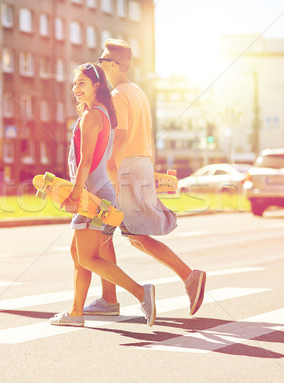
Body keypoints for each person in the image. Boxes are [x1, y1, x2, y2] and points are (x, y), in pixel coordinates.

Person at [84, 39, 207, 317]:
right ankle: (112, 297)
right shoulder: (138, 92)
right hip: (140, 164)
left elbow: (123, 137)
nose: (100, 64)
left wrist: (111, 175)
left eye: (103, 60)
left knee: (118, 231)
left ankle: (112, 298)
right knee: (123, 233)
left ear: (114, 65)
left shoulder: (118, 95)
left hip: (126, 167)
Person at [48, 63, 156, 327]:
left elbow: (85, 163)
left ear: (97, 85)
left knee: (86, 257)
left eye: (82, 83)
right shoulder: (102, 113)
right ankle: (76, 312)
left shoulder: (92, 116)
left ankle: (141, 293)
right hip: (100, 193)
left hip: (92, 196)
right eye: (74, 84)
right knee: (78, 254)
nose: (76, 89)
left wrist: (75, 195)